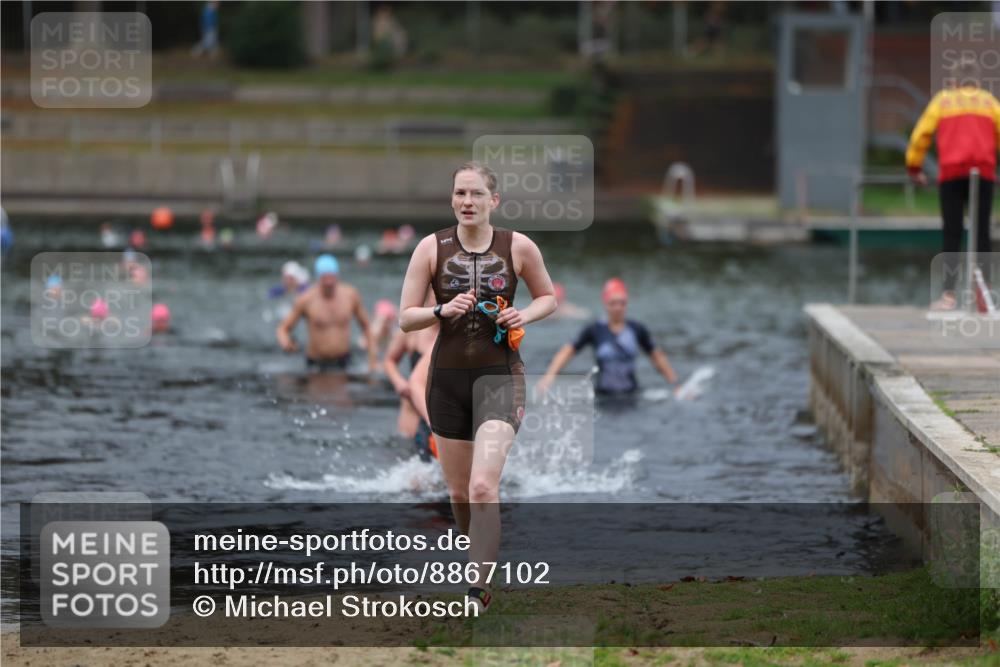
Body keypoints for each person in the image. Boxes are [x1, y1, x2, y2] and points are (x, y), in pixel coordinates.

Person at [398, 161, 557, 610]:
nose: (467, 202)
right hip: (446, 382)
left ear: (493, 201)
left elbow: (549, 297)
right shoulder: (430, 249)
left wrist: (523, 314)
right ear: (452, 199)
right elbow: (404, 317)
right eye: (460, 194)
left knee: (484, 486)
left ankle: (478, 589)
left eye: (475, 194)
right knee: (459, 493)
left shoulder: (518, 246)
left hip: (500, 378)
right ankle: (480, 559)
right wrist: (438, 313)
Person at [907, 56, 999, 311]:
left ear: (955, 80)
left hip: (951, 174)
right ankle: (984, 291)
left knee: (952, 231)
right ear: (977, 80)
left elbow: (920, 136)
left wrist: (914, 167)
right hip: (983, 174)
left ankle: (949, 296)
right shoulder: (989, 103)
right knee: (982, 231)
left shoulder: (943, 102)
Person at [537, 278, 677, 396]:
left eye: (622, 303)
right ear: (605, 303)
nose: (617, 308)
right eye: (613, 303)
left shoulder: (637, 329)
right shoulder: (595, 329)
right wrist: (549, 377)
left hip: (632, 394)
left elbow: (657, 356)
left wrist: (675, 384)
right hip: (604, 396)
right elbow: (568, 351)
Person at [277, 254, 376, 373]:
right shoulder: (306, 300)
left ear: (337, 276)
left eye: (331, 278)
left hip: (344, 361)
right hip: (316, 363)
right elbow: (283, 329)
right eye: (325, 279)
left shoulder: (350, 295)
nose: (329, 283)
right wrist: (286, 343)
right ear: (318, 278)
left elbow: (367, 327)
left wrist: (372, 361)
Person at [383, 292, 439, 461]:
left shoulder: (457, 331)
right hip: (413, 407)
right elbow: (389, 360)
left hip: (442, 405)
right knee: (409, 458)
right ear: (428, 297)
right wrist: (398, 381)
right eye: (437, 295)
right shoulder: (413, 330)